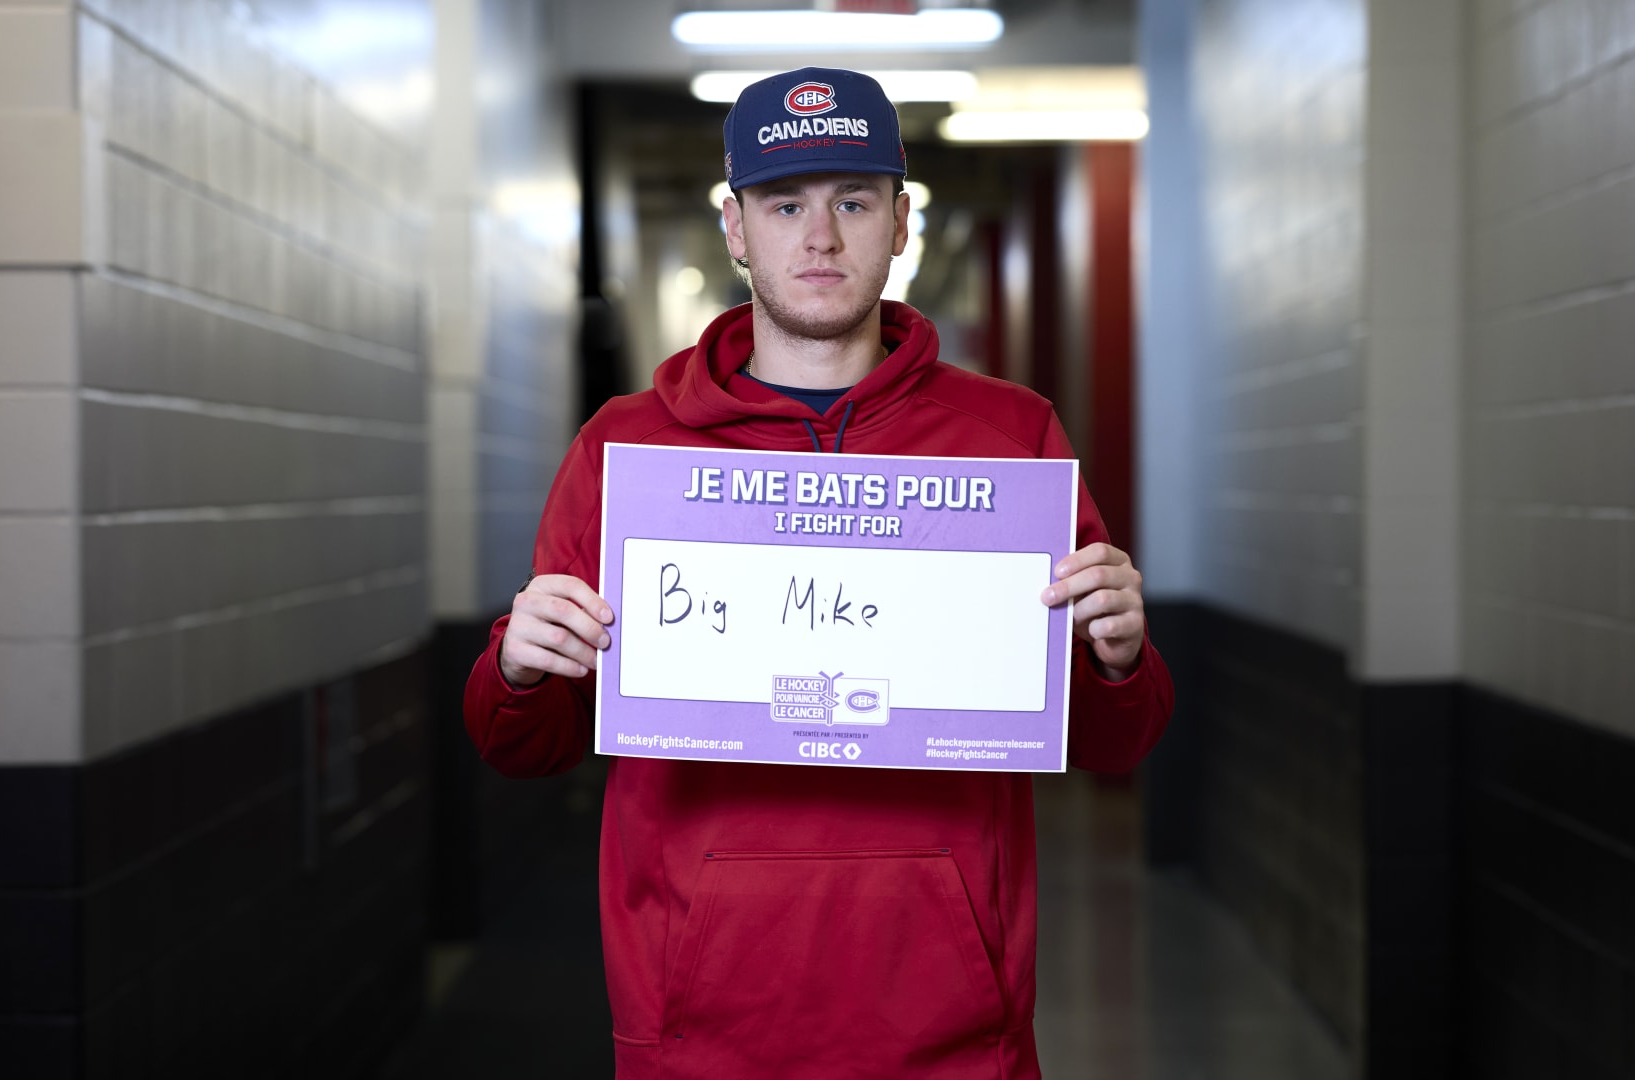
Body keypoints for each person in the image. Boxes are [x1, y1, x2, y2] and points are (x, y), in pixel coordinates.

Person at [462, 67, 1173, 1079]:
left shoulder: (1010, 441)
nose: (821, 237)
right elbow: (521, 746)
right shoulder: (630, 451)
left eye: (853, 201)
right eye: (785, 204)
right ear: (736, 228)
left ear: (901, 221)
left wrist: (1116, 656)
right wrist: (520, 670)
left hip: (952, 1034)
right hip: (698, 1035)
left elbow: (1112, 740)